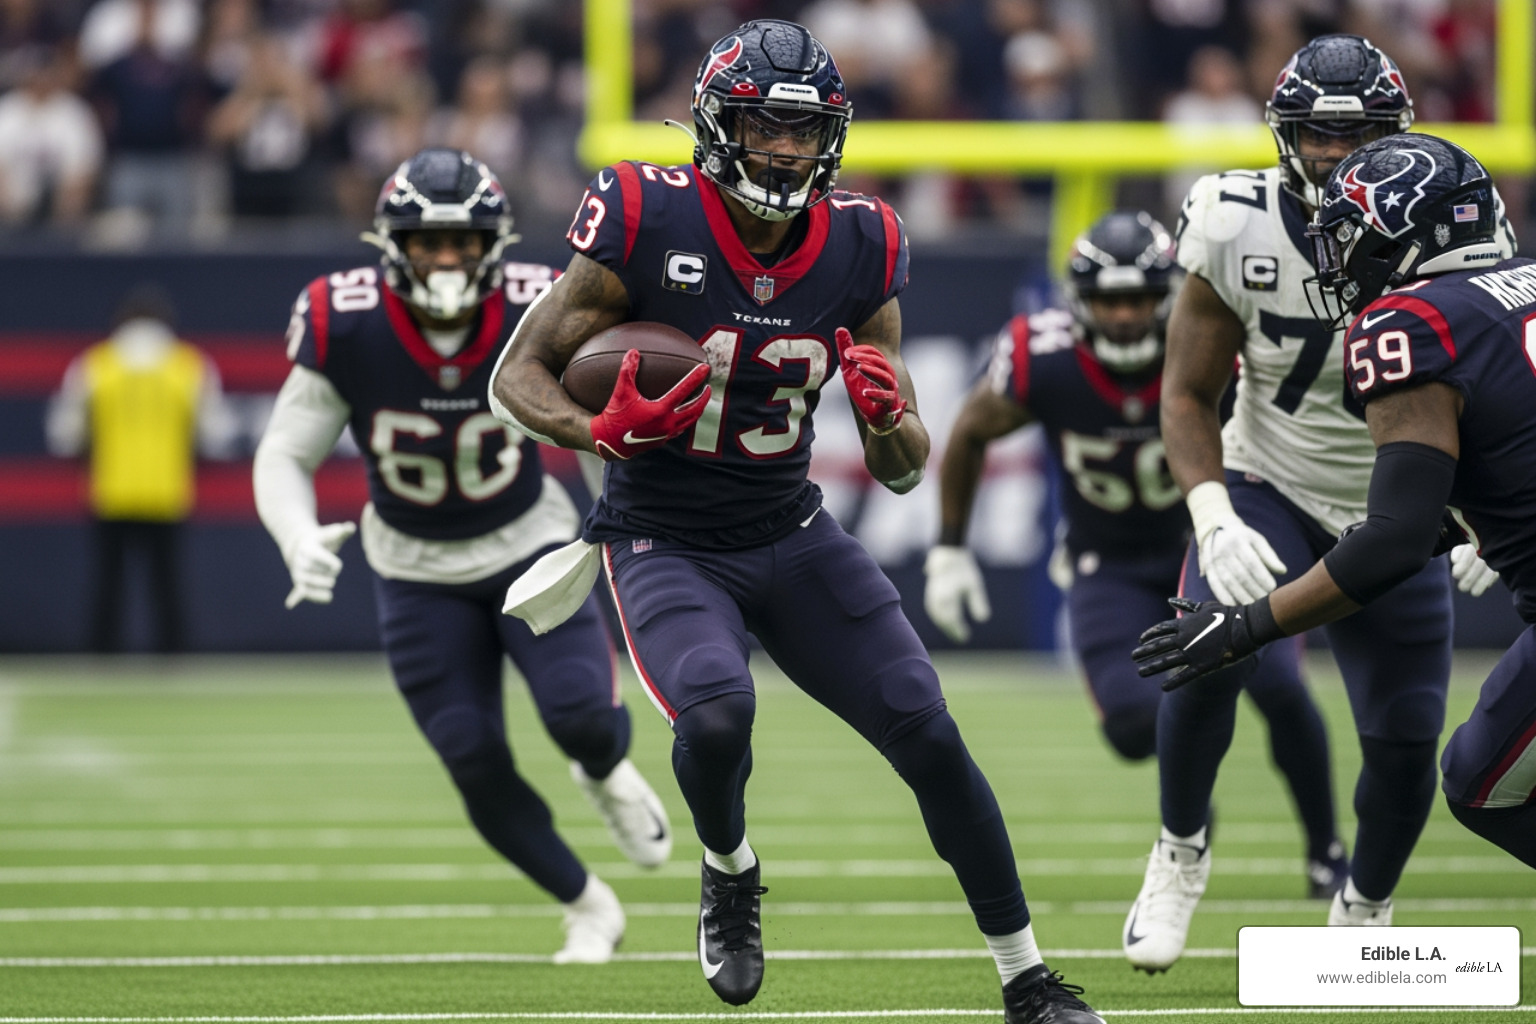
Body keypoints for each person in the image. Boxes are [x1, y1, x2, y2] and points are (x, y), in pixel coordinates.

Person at [488, 19, 1104, 1024]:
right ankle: (730, 869)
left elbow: (903, 472)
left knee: (929, 729)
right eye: (763, 127)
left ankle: (1027, 976)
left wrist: (887, 417)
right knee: (719, 710)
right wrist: (599, 429)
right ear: (716, 126)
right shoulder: (645, 214)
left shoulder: (864, 242)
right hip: (664, 535)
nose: (783, 149)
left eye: (802, 129)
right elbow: (515, 374)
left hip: (791, 528)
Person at [1122, 34, 1504, 973]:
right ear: (1283, 134)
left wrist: (1498, 509)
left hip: (1407, 498)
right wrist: (1211, 507)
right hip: (1274, 480)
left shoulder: (1446, 208)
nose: (1338, 158)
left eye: (1363, 135)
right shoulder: (1232, 215)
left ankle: (1363, 914)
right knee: (1206, 647)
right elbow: (1185, 390)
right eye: (1320, 137)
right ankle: (1178, 851)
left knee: (1410, 736)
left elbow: (1499, 360)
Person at [251, 147, 673, 965]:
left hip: (529, 543)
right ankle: (588, 906)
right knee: (473, 757)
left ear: (495, 243)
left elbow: (601, 426)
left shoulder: (539, 303)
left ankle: (604, 768)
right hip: (414, 568)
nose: (447, 259)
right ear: (392, 243)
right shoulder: (347, 317)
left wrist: (621, 519)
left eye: (464, 241)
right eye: (427, 241)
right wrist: (295, 534)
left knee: (582, 718)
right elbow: (284, 454)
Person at [924, 210, 1346, 898]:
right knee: (1128, 726)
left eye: (1141, 299)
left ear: (1169, 297)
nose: (1124, 316)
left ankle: (1327, 850)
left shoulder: (1211, 343)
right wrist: (949, 550)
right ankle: (1192, 784)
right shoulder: (1045, 354)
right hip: (1107, 560)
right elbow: (969, 431)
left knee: (1279, 687)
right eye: (1109, 300)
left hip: (1208, 544)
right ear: (1079, 303)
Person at [46, 283, 234, 652]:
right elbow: (216, 435)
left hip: (112, 490)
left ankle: (102, 658)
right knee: (167, 585)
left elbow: (65, 435)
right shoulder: (187, 365)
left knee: (108, 584)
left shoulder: (97, 364)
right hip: (166, 491)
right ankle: (172, 658)